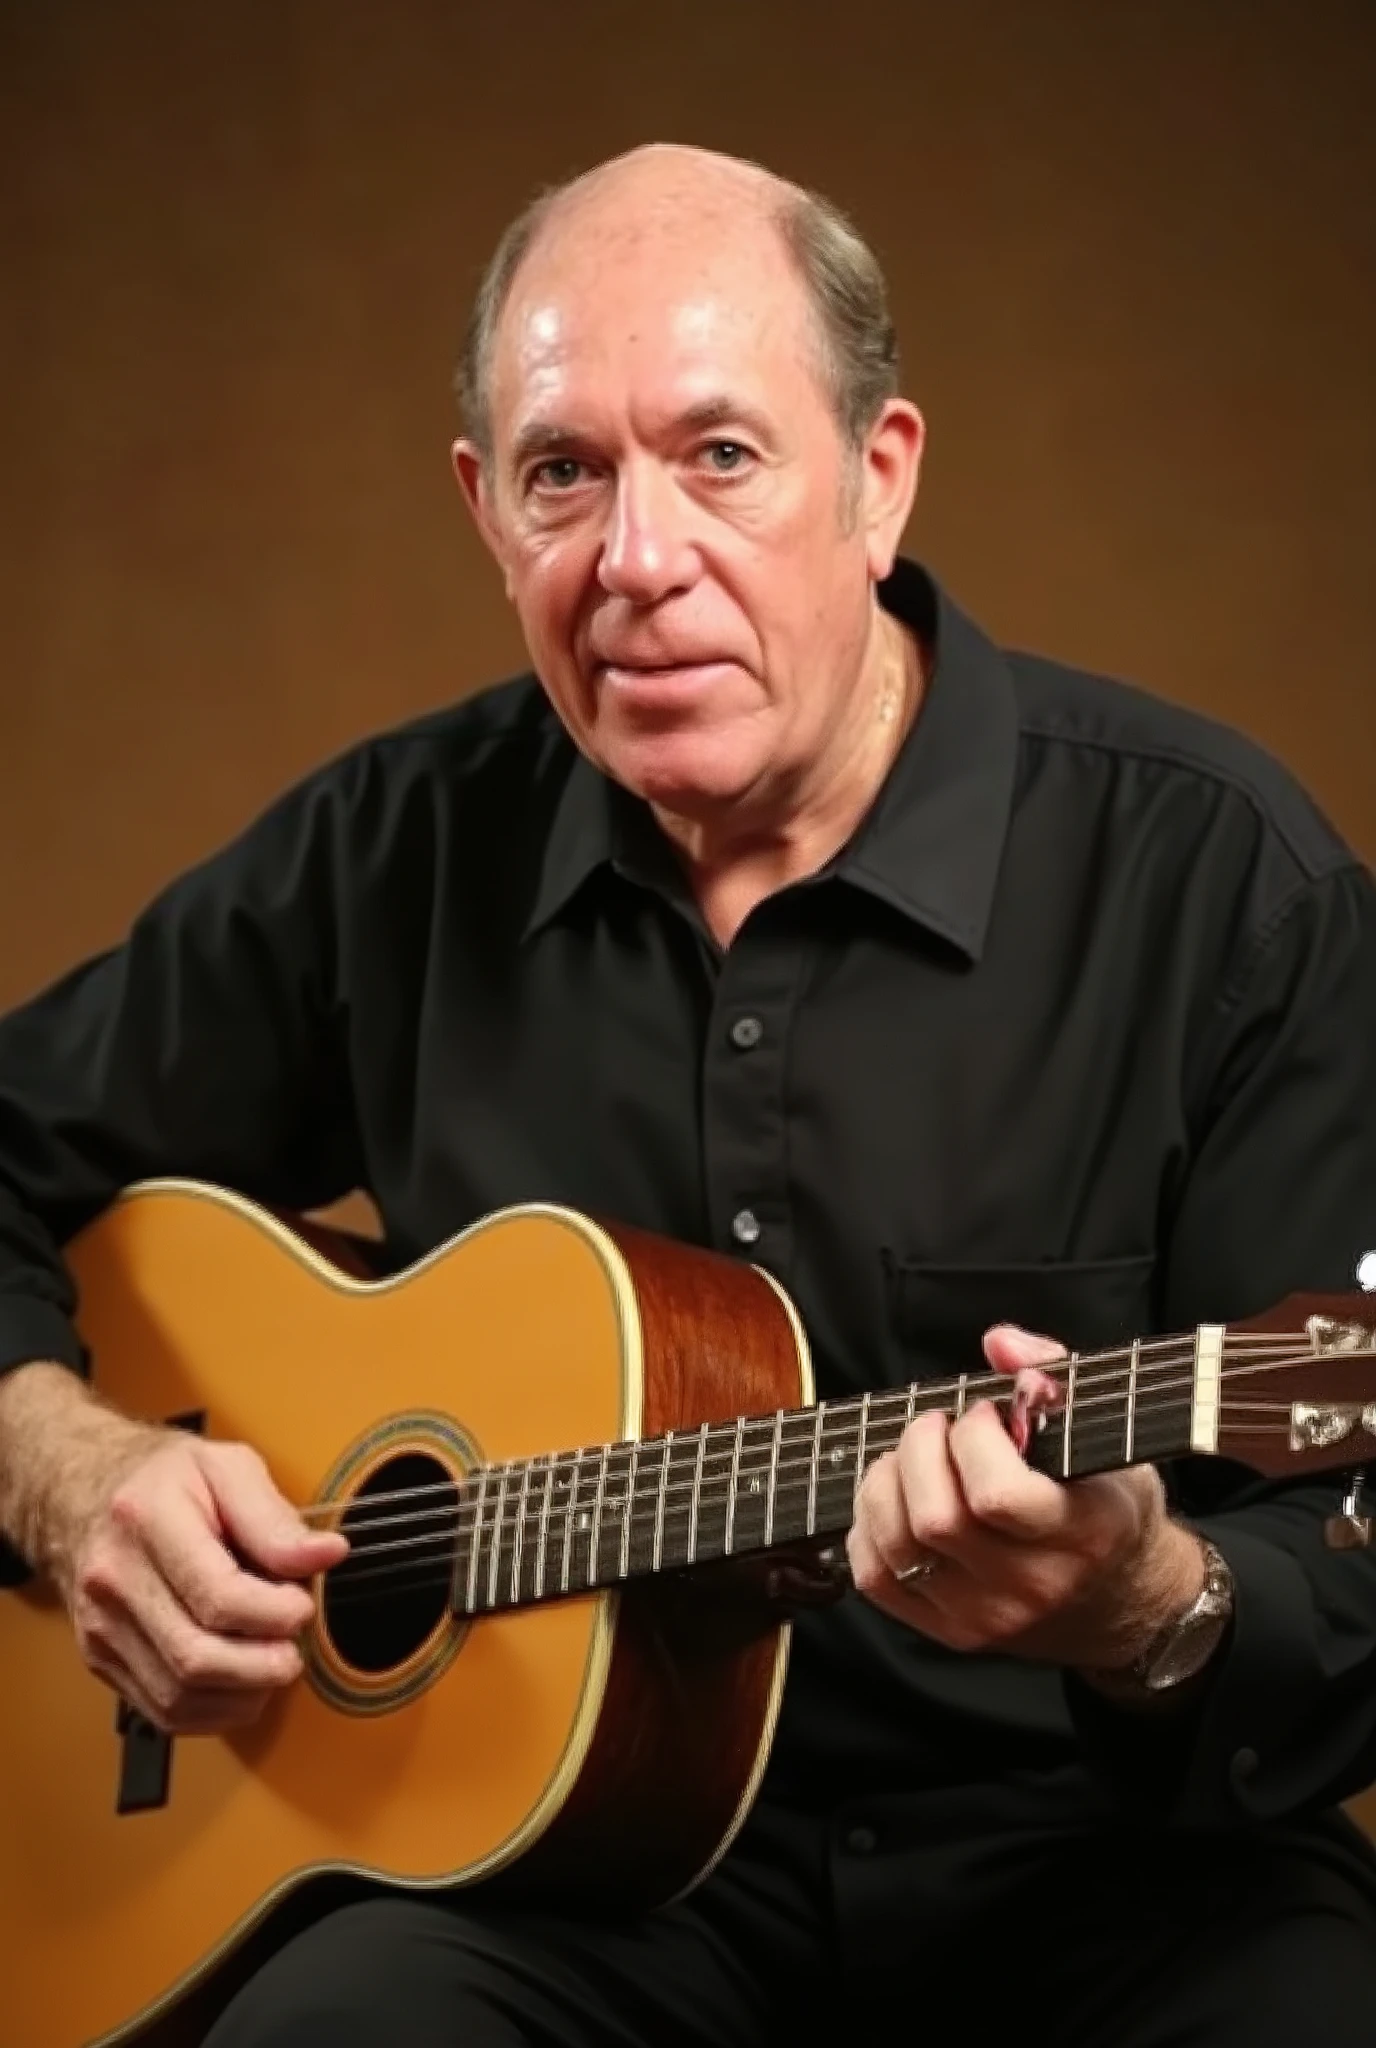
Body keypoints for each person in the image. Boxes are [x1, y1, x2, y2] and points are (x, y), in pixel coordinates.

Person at [2, 142, 1375, 2046]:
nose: (638, 560)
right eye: (567, 472)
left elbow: (1341, 1591)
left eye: (722, 456)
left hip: (1112, 1882)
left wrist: (1143, 1600)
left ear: (877, 481)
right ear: (488, 512)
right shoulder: (392, 857)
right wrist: (71, 1465)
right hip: (559, 1902)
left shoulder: (1223, 885)